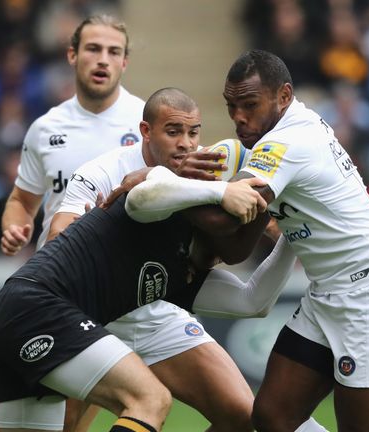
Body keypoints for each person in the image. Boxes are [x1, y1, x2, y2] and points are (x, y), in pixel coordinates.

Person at [171, 49, 369, 432]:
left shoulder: (284, 144)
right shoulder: (292, 128)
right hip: (328, 294)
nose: (239, 117)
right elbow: (239, 244)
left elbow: (223, 224)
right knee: (272, 418)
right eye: (231, 106)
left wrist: (166, 182)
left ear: (284, 96)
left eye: (250, 104)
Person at [49, 87, 311, 431]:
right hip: (94, 314)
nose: (187, 144)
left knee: (243, 418)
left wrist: (291, 234)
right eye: (174, 132)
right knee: (40, 426)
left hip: (155, 309)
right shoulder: (104, 170)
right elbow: (56, 238)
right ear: (146, 132)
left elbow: (251, 294)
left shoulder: (212, 166)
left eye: (194, 132)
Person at [0, 165, 298, 431]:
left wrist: (294, 236)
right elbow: (146, 189)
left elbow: (252, 302)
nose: (222, 259)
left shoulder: (185, 272)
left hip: (18, 312)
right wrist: (222, 191)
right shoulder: (160, 213)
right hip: (40, 307)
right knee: (150, 400)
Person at [0, 14, 144, 432]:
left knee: (67, 422)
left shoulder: (147, 122)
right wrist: (14, 225)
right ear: (72, 55)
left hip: (112, 292)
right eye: (93, 49)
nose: (102, 60)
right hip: (52, 284)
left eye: (113, 52)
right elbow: (22, 198)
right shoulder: (46, 128)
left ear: (125, 62)